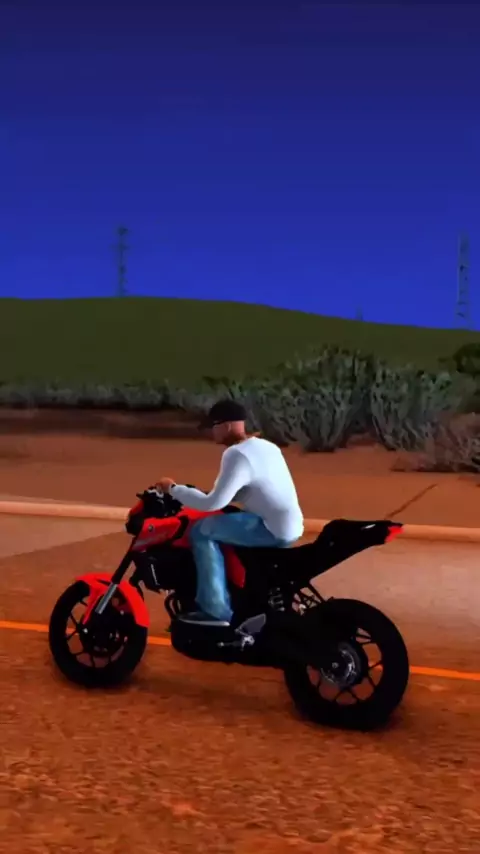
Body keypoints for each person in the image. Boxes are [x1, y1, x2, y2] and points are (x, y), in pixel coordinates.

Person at [156, 399, 304, 627]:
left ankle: (215, 611)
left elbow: (212, 503)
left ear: (225, 426)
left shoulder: (236, 454)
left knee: (201, 531)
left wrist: (173, 489)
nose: (211, 433)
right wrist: (202, 493)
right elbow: (250, 488)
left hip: (270, 528)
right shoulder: (267, 447)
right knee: (223, 521)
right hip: (290, 524)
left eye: (213, 426)